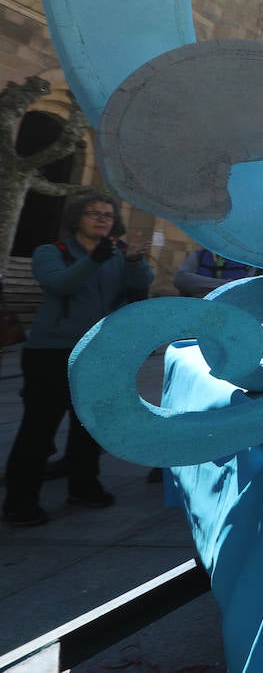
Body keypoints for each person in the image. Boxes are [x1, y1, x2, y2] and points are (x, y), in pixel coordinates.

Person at [3, 192, 153, 526]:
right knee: (39, 427)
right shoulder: (50, 252)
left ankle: (84, 485)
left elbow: (141, 285)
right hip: (51, 353)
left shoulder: (118, 254)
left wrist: (133, 262)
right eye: (93, 213)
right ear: (76, 218)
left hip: (99, 351)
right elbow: (59, 284)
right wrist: (95, 259)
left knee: (90, 425)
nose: (102, 219)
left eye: (108, 215)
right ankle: (19, 499)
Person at [173, 247, 258, 297]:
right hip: (194, 309)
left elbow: (244, 291)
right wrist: (228, 285)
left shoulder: (250, 262)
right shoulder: (200, 255)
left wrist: (200, 288)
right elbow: (180, 280)